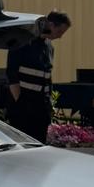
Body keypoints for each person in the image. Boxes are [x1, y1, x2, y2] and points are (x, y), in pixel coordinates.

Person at [6, 11, 70, 143]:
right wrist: (19, 101)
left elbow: (48, 76)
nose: (60, 37)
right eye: (59, 32)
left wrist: (49, 104)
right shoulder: (22, 41)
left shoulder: (49, 47)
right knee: (23, 145)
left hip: (42, 108)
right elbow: (11, 73)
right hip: (23, 107)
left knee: (39, 144)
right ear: (50, 25)